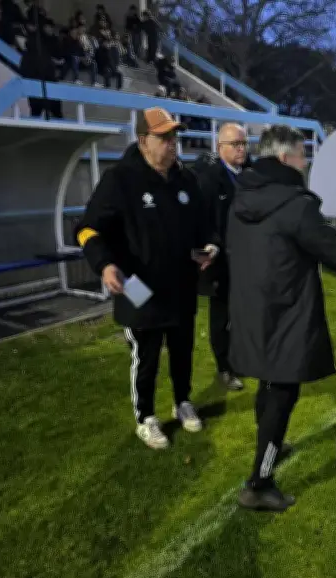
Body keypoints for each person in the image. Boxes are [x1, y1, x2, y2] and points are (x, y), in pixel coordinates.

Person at [226, 125, 336, 511]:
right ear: (286, 158)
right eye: (303, 155)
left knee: (269, 383)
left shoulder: (243, 194)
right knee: (282, 391)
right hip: (285, 311)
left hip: (251, 308)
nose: (306, 162)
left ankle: (268, 447)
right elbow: (335, 251)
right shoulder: (295, 203)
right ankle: (259, 481)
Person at [75, 107, 219, 450]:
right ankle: (146, 417)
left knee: (183, 348)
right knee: (147, 354)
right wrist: (105, 265)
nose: (172, 144)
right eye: (164, 138)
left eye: (174, 137)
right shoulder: (120, 180)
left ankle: (183, 401)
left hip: (181, 284)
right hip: (137, 287)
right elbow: (87, 228)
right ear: (143, 141)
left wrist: (210, 246)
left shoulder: (186, 179)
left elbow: (203, 224)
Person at [193, 123, 251, 391]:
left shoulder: (251, 175)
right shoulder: (209, 178)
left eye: (244, 144)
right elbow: (203, 221)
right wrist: (213, 246)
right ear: (220, 148)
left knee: (243, 315)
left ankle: (241, 359)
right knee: (221, 317)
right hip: (221, 263)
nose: (241, 149)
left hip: (247, 260)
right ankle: (224, 368)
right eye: (235, 145)